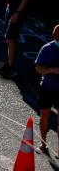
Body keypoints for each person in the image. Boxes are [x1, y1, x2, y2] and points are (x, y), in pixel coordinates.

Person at [34, 25, 59, 157]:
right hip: (47, 87)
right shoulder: (47, 49)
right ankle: (44, 144)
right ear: (54, 36)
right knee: (45, 115)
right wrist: (52, 70)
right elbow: (38, 68)